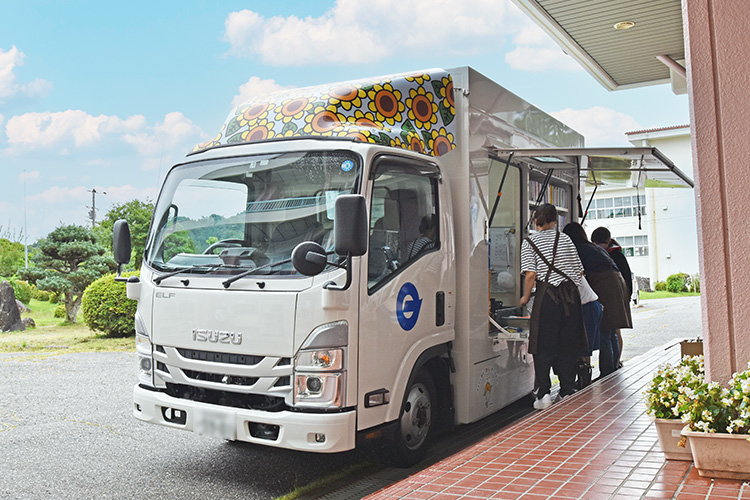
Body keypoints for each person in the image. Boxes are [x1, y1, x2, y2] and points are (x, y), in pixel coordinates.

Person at [520, 204, 587, 410]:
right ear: (555, 221)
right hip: (570, 299)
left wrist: (523, 298)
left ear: (536, 220)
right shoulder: (566, 239)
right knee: (568, 343)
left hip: (547, 297)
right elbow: (580, 272)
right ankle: (567, 390)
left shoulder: (529, 242)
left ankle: (544, 394)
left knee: (542, 345)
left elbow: (531, 274)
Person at [562, 223, 609, 387]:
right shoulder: (585, 252)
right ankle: (584, 380)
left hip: (587, 306)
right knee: (584, 346)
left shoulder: (568, 266)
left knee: (582, 346)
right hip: (592, 304)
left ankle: (583, 382)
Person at [589, 226, 633, 376]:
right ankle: (614, 364)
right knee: (612, 332)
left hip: (613, 298)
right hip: (618, 297)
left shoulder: (614, 255)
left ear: (608, 241)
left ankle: (611, 367)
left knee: (609, 332)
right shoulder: (615, 253)